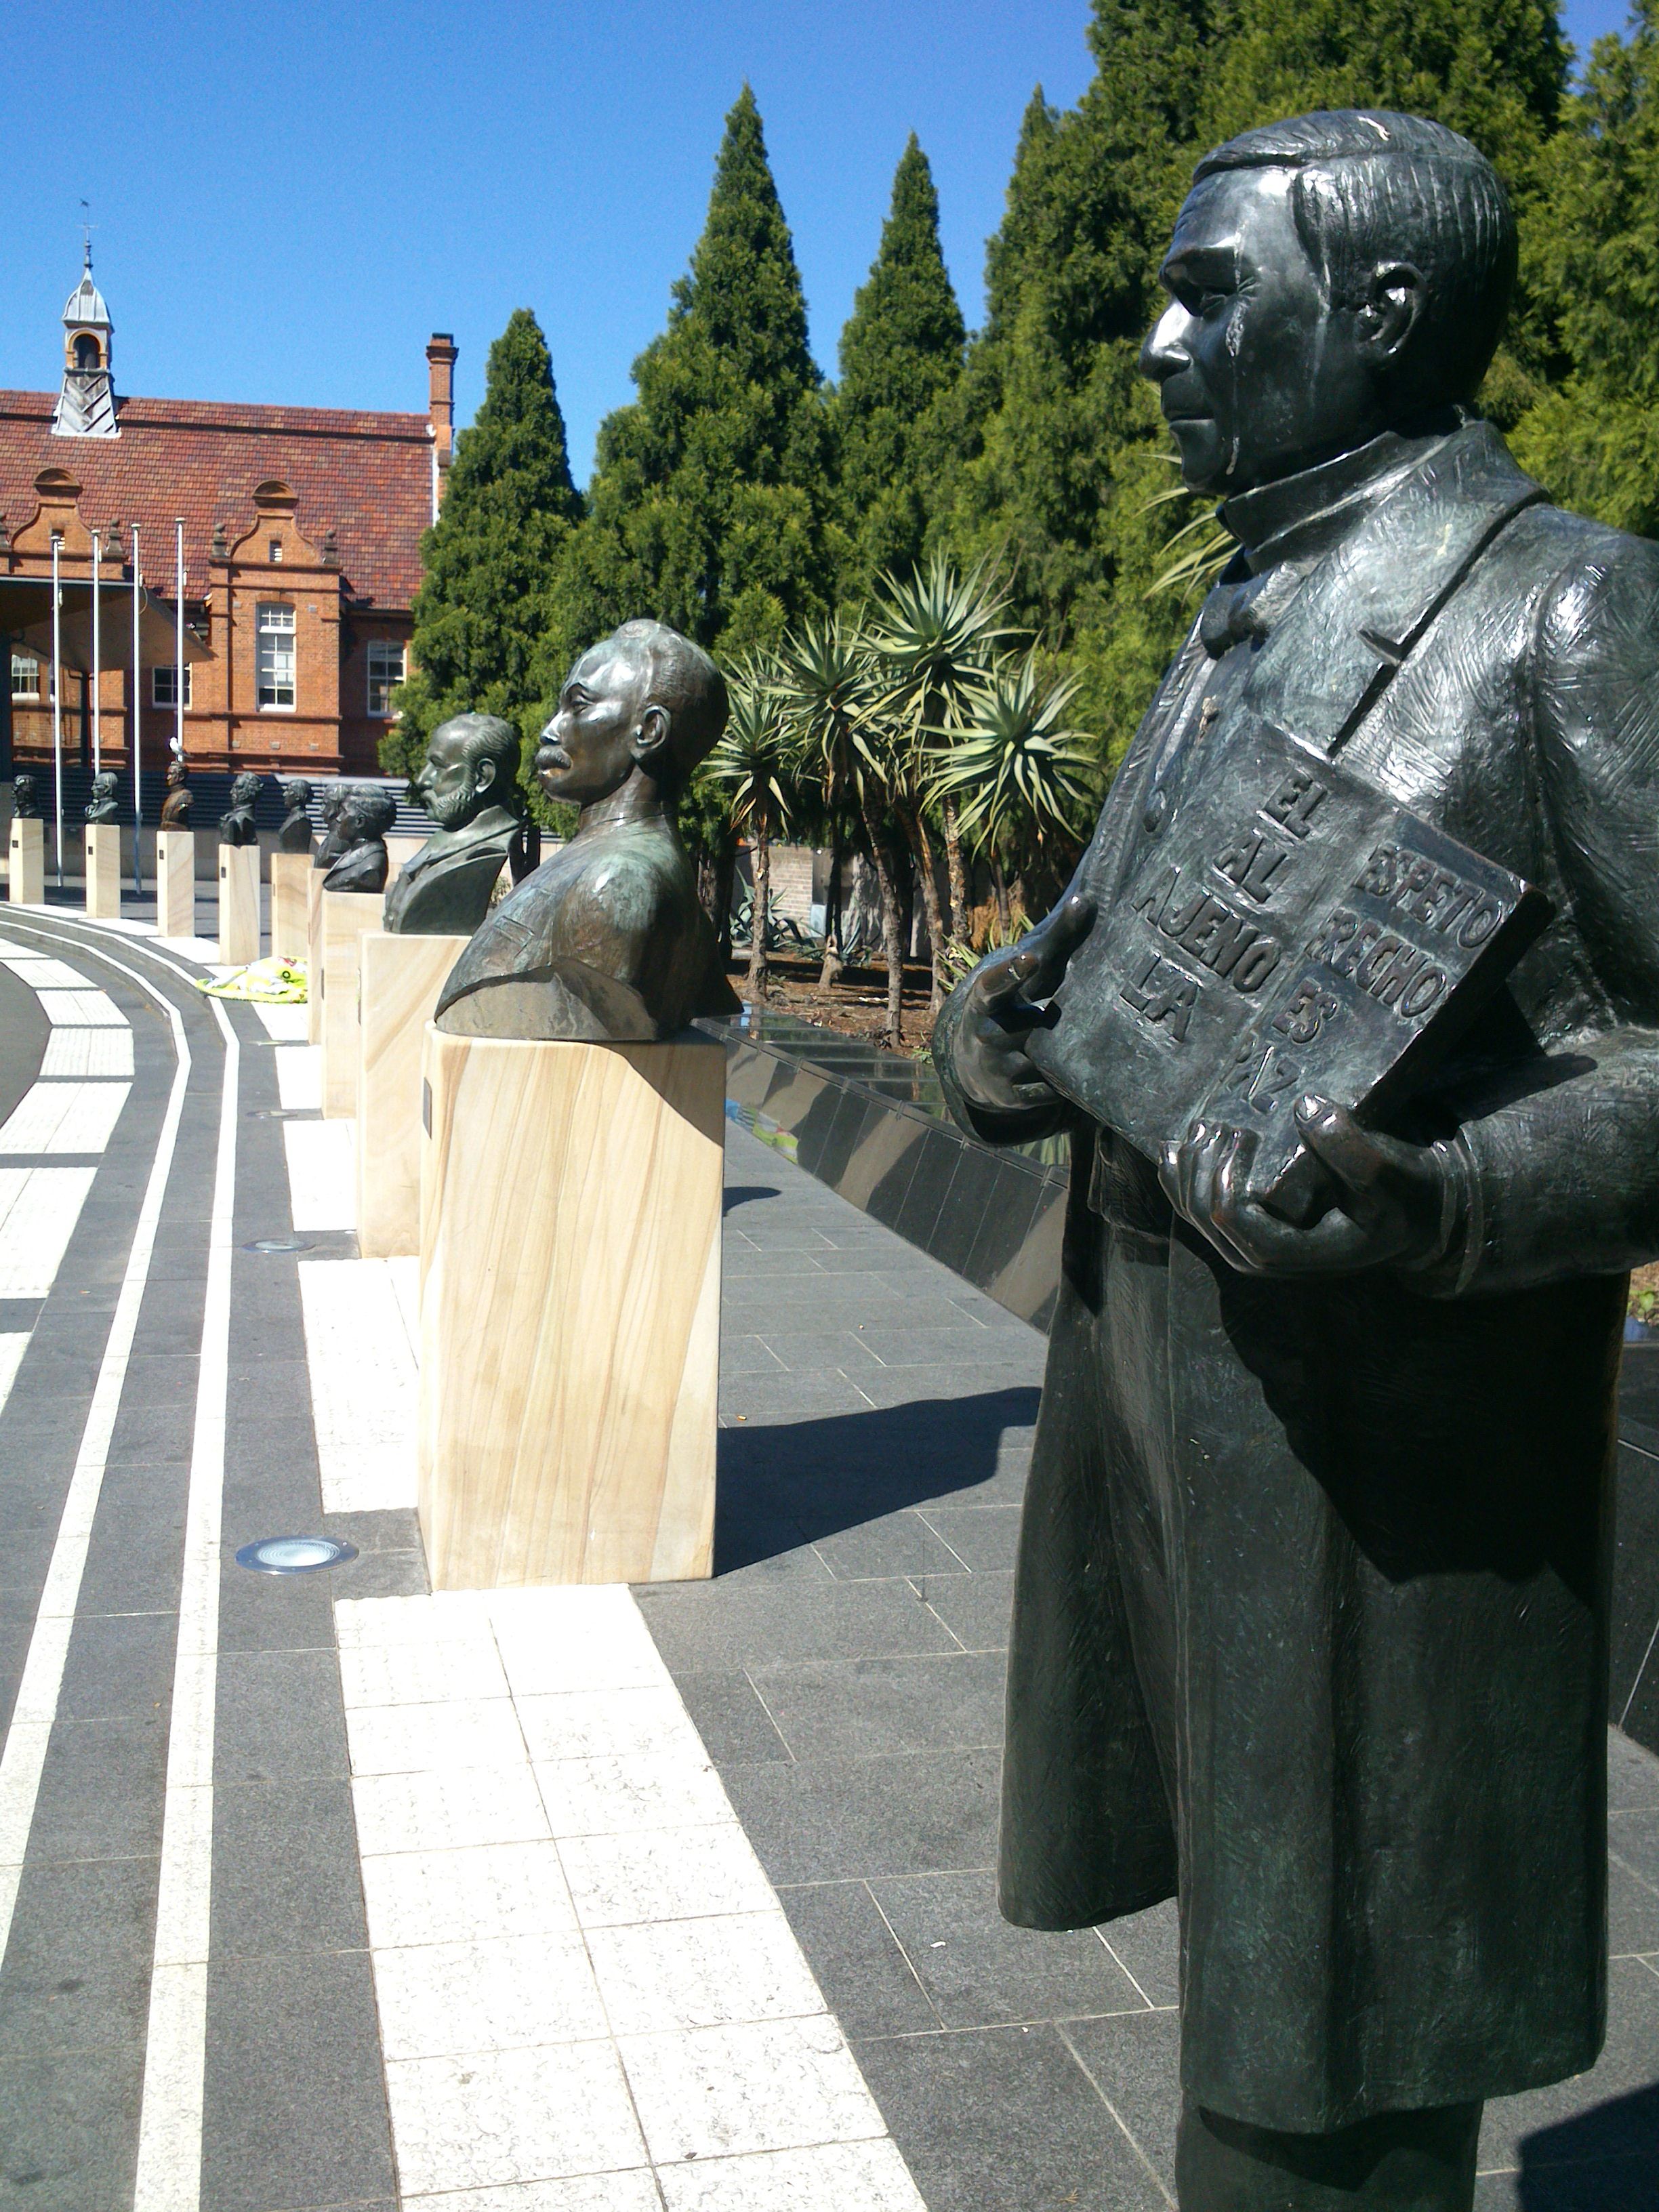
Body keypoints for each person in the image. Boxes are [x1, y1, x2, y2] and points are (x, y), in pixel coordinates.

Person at [934, 109, 1659, 2212]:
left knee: (1332, 2052)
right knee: (1257, 1984)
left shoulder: (1563, 612)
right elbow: (1147, 955)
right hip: (1163, 1386)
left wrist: (1455, 1204)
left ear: (1388, 313)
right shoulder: (1248, 593)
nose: (1159, 342)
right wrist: (1017, 1041)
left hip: (1383, 1465)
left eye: (1212, 292)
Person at [436, 620, 736, 1038]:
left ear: (649, 732)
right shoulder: (606, 861)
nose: (550, 729)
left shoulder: (614, 882)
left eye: (578, 706)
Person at [384, 712, 524, 936]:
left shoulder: (489, 850)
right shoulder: (443, 841)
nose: (422, 780)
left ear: (483, 777)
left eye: (438, 767)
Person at [320, 785, 396, 894]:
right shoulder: (355, 853)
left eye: (344, 812)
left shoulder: (370, 868)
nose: (339, 818)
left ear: (360, 822)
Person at [218, 771, 262, 847]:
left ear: (251, 792)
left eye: (238, 788)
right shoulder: (229, 820)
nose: (232, 792)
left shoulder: (237, 821)